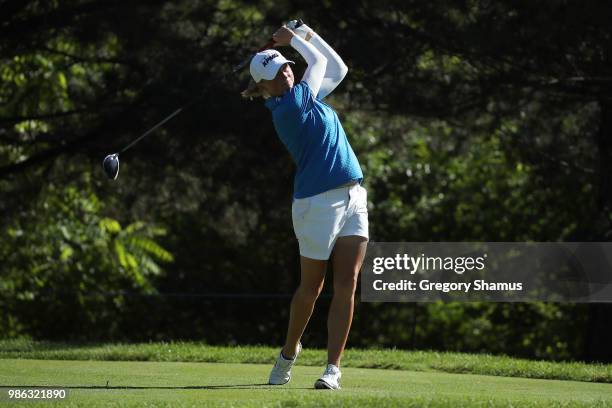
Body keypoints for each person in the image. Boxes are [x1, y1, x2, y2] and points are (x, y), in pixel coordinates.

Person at [242, 20, 369, 390]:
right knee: (311, 288)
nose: (284, 71)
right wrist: (296, 37)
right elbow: (317, 64)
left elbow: (337, 68)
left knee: (348, 282)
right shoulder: (290, 107)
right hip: (317, 204)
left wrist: (307, 31)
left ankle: (332, 368)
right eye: (275, 71)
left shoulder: (307, 96)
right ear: (264, 87)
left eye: (284, 64)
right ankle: (289, 352)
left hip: (353, 196)